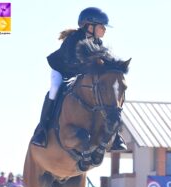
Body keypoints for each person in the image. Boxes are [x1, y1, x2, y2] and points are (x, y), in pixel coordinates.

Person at [32, 7, 127, 150]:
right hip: (62, 72)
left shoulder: (98, 43)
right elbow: (71, 62)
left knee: (107, 93)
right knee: (54, 89)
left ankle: (114, 134)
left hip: (80, 76)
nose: (104, 30)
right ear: (90, 26)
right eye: (102, 26)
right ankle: (42, 130)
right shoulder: (73, 39)